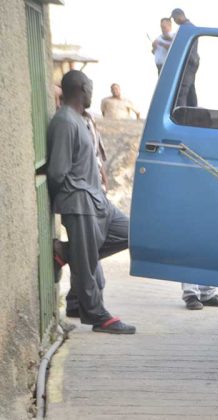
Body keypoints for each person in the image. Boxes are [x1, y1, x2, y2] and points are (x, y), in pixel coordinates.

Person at [48, 70, 135, 334]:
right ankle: (97, 316)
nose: (92, 93)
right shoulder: (64, 121)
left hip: (98, 200)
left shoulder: (82, 119)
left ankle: (66, 254)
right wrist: (66, 201)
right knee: (86, 265)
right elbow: (57, 172)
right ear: (82, 89)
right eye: (90, 88)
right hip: (80, 200)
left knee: (133, 233)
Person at [171, 8, 198, 107]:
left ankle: (180, 115)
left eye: (174, 18)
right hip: (192, 62)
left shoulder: (186, 28)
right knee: (190, 90)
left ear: (180, 16)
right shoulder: (190, 27)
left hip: (188, 62)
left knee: (182, 91)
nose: (174, 21)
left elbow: (182, 46)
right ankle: (193, 113)